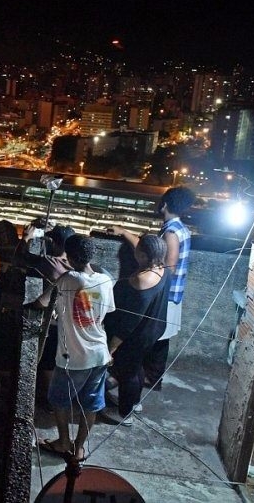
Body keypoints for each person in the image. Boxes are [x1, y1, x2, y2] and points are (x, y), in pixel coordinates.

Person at [106, 185, 195, 389]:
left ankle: (147, 379)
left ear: (164, 205)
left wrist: (123, 232)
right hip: (173, 293)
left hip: (166, 295)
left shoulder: (171, 232)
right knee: (159, 338)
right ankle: (149, 379)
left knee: (153, 339)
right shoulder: (181, 228)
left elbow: (166, 263)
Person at [36, 234, 115, 462]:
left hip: (73, 357)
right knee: (90, 404)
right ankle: (79, 448)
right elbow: (105, 312)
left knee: (58, 399)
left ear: (69, 257)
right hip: (100, 353)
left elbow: (41, 303)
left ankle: (63, 442)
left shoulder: (68, 279)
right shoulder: (106, 281)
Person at [101, 234, 171, 426]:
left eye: (138, 249)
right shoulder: (163, 270)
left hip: (136, 335)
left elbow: (130, 321)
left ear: (143, 256)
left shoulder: (141, 280)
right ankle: (134, 403)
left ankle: (124, 413)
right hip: (154, 329)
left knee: (128, 371)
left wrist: (112, 347)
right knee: (137, 365)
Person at [35, 224, 76, 412]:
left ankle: (50, 402)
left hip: (54, 321)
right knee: (62, 363)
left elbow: (22, 259)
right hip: (73, 323)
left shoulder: (51, 263)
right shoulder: (77, 266)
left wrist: (27, 238)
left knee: (48, 363)